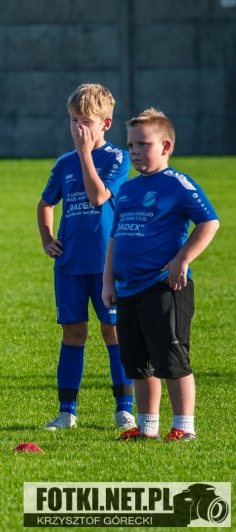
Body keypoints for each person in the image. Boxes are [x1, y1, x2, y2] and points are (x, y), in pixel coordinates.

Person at [106, 109, 219, 441]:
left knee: (172, 358)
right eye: (131, 145)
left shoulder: (177, 184)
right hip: (128, 290)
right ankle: (147, 429)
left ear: (166, 146)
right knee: (138, 364)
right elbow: (115, 237)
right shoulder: (127, 190)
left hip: (164, 287)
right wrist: (107, 281)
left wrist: (182, 258)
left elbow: (209, 222)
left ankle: (184, 428)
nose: (135, 151)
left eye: (143, 144)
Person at [37, 84, 135, 432]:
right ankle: (67, 412)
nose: (78, 128)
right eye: (73, 120)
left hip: (106, 263)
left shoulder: (119, 158)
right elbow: (46, 203)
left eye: (86, 121)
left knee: (114, 332)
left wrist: (84, 154)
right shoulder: (64, 162)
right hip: (70, 265)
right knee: (73, 334)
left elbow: (97, 198)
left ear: (105, 124)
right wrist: (47, 238)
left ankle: (124, 410)